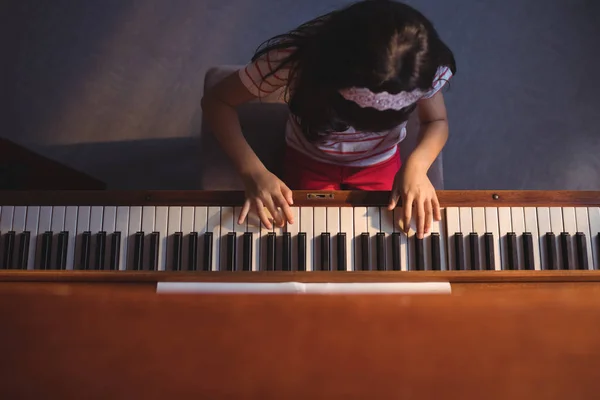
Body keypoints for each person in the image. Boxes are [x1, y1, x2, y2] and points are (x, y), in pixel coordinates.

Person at [201, 0, 456, 239]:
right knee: (302, 230)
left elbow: (436, 122)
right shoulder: (295, 62)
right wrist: (253, 172)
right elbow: (217, 101)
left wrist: (417, 167)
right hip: (308, 156)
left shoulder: (425, 70)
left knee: (392, 230)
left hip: (380, 160)